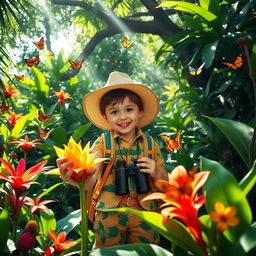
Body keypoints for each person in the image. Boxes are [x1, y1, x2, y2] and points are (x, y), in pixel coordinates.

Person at [57, 71, 168, 249]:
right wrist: (78, 177)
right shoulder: (103, 143)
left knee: (146, 251)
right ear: (105, 117)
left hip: (145, 213)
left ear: (140, 112)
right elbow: (91, 175)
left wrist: (155, 170)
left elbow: (165, 180)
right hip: (109, 213)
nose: (123, 117)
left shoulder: (149, 143)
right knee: (107, 251)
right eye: (114, 111)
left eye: (129, 109)